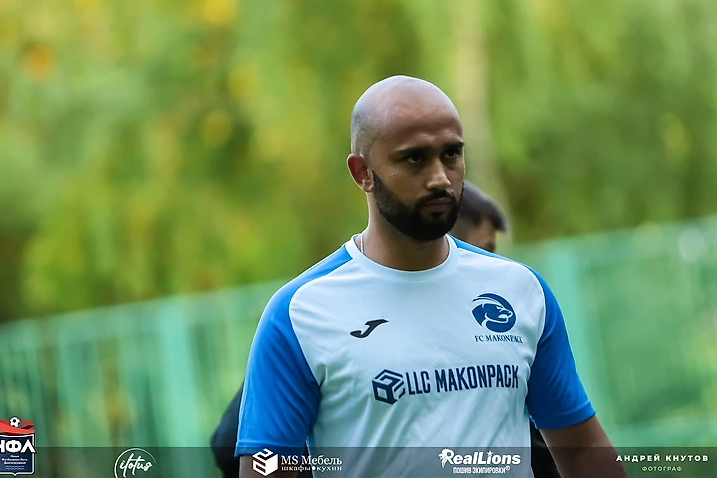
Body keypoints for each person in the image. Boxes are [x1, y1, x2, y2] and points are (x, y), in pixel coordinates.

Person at [233, 76, 625, 478]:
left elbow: (583, 451)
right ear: (363, 172)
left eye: (451, 154)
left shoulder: (521, 291)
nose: (440, 178)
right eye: (414, 159)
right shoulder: (300, 313)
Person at [210, 181, 561, 478]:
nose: (491, 263)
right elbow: (232, 444)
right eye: (483, 249)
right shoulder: (321, 321)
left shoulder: (504, 326)